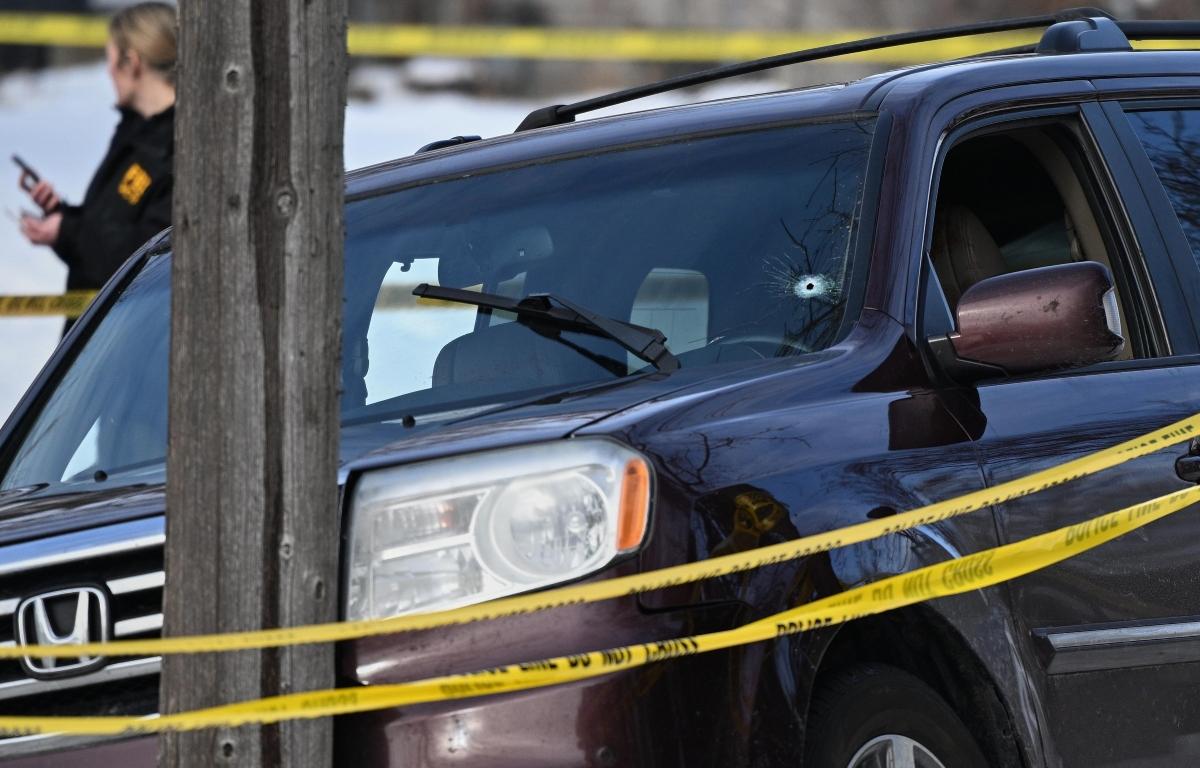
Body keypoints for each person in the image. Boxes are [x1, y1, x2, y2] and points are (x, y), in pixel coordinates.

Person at [18, 2, 176, 312]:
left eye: (111, 58)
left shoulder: (179, 145)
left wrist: (69, 231)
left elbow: (147, 260)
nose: (107, 70)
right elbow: (110, 230)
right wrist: (63, 217)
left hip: (135, 338)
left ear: (132, 62)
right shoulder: (135, 132)